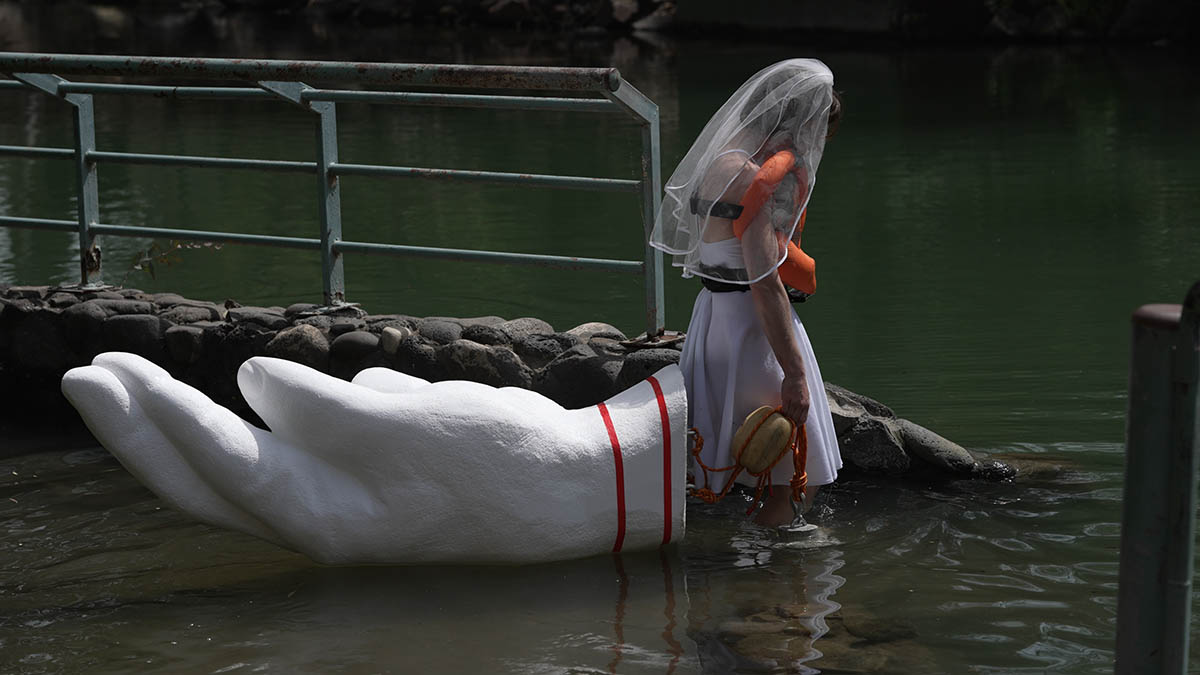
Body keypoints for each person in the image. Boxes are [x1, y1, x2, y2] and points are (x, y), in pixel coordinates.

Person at [651, 59, 844, 527]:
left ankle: (734, 568)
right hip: (752, 335)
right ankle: (772, 585)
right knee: (797, 475)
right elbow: (764, 280)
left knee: (726, 468)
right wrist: (795, 374)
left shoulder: (721, 162)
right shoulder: (758, 178)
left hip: (712, 321)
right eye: (817, 128)